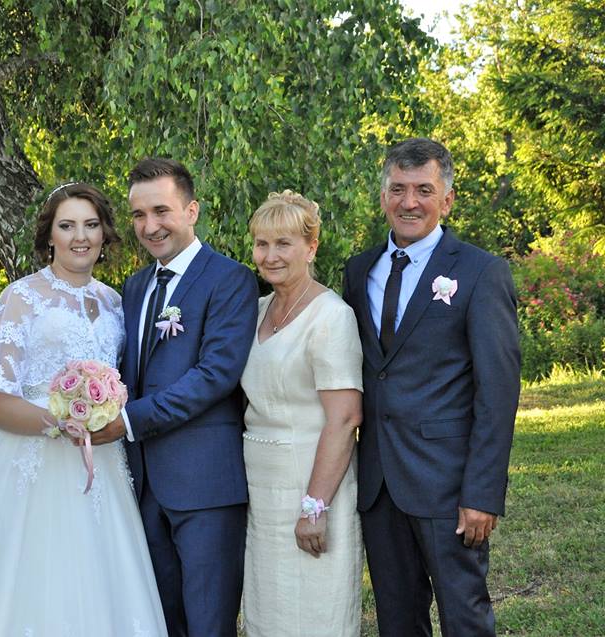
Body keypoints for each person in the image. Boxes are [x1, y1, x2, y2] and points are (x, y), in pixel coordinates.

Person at [0, 182, 167, 635]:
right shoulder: (21, 297)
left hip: (101, 465)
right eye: (67, 226)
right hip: (27, 465)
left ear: (104, 233)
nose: (80, 237)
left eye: (90, 225)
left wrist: (100, 411)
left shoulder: (114, 302)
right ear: (49, 235)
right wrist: (58, 423)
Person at [343, 138, 520, 636]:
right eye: (398, 189)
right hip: (379, 484)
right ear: (383, 197)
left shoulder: (481, 271)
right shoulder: (359, 271)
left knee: (464, 617)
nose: (410, 202)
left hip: (448, 485)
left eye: (424, 189)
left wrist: (482, 493)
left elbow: (497, 391)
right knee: (397, 621)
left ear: (447, 199)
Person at [89, 158, 259, 636]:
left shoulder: (230, 279)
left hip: (205, 484)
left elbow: (215, 375)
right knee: (160, 621)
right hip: (142, 484)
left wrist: (128, 421)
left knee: (208, 623)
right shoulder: (135, 286)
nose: (150, 226)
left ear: (191, 210)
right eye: (139, 215)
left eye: (161, 211)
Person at [239, 191, 364, 636]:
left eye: (283, 243)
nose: (270, 255)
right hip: (261, 488)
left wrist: (315, 506)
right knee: (268, 609)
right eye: (262, 244)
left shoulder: (331, 316)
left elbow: (345, 419)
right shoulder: (256, 311)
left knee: (314, 609)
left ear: (311, 248)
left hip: (311, 482)